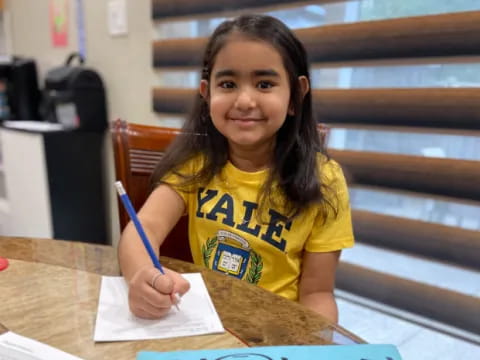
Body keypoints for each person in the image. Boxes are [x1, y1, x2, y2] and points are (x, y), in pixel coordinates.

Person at [118, 14, 354, 323]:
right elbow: (142, 228)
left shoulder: (325, 180)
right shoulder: (194, 165)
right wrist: (142, 277)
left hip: (278, 335)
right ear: (207, 94)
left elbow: (317, 294)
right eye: (228, 84)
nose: (244, 100)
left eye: (264, 84)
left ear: (295, 96)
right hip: (204, 324)